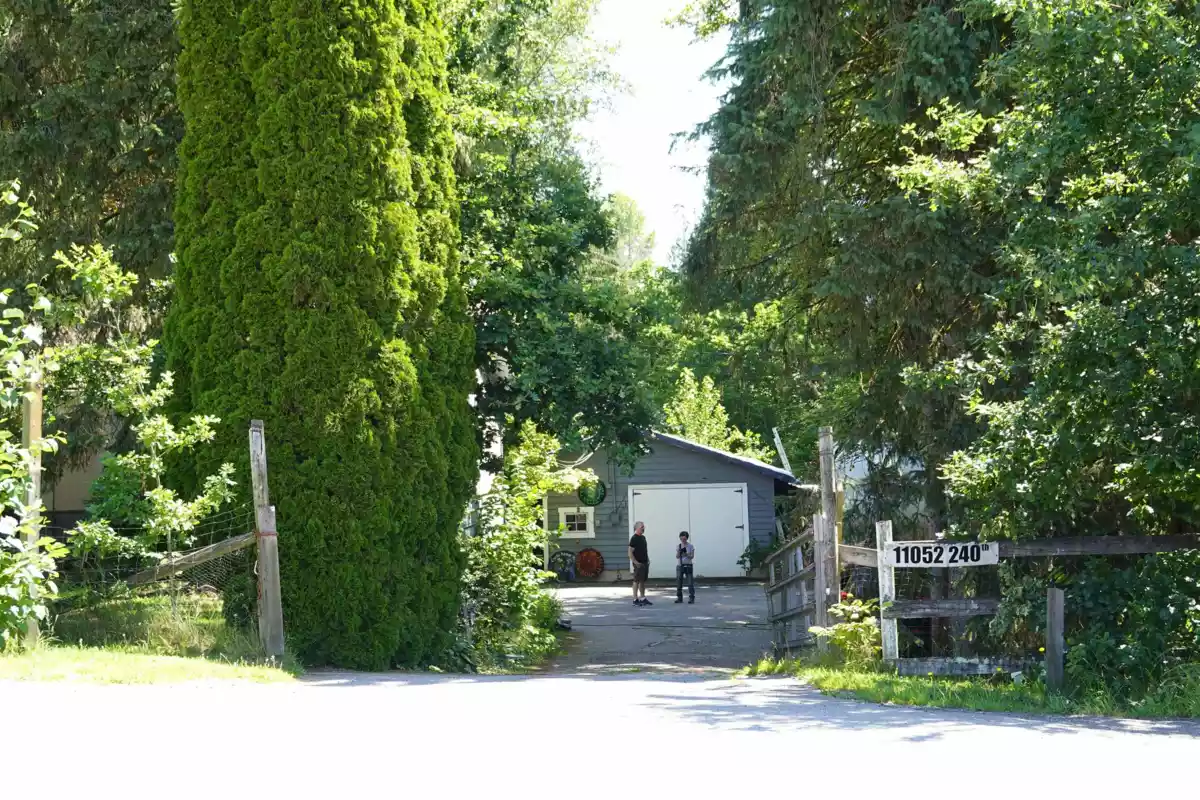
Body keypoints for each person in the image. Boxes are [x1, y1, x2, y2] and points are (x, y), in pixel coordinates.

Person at [628, 521, 651, 606]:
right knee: (636, 581)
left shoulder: (643, 538)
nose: (643, 528)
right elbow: (630, 552)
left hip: (645, 562)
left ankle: (643, 598)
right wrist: (635, 562)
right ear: (637, 528)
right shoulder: (634, 538)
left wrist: (647, 559)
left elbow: (644, 550)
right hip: (638, 563)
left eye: (643, 527)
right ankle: (635, 599)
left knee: (642, 581)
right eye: (642, 527)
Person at [675, 531, 695, 604]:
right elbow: (677, 556)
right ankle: (679, 598)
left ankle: (691, 598)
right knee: (679, 582)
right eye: (681, 539)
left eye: (684, 539)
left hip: (688, 565)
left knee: (690, 583)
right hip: (680, 565)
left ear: (686, 538)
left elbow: (692, 556)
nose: (683, 540)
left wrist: (686, 554)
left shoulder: (690, 546)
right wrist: (680, 553)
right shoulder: (679, 546)